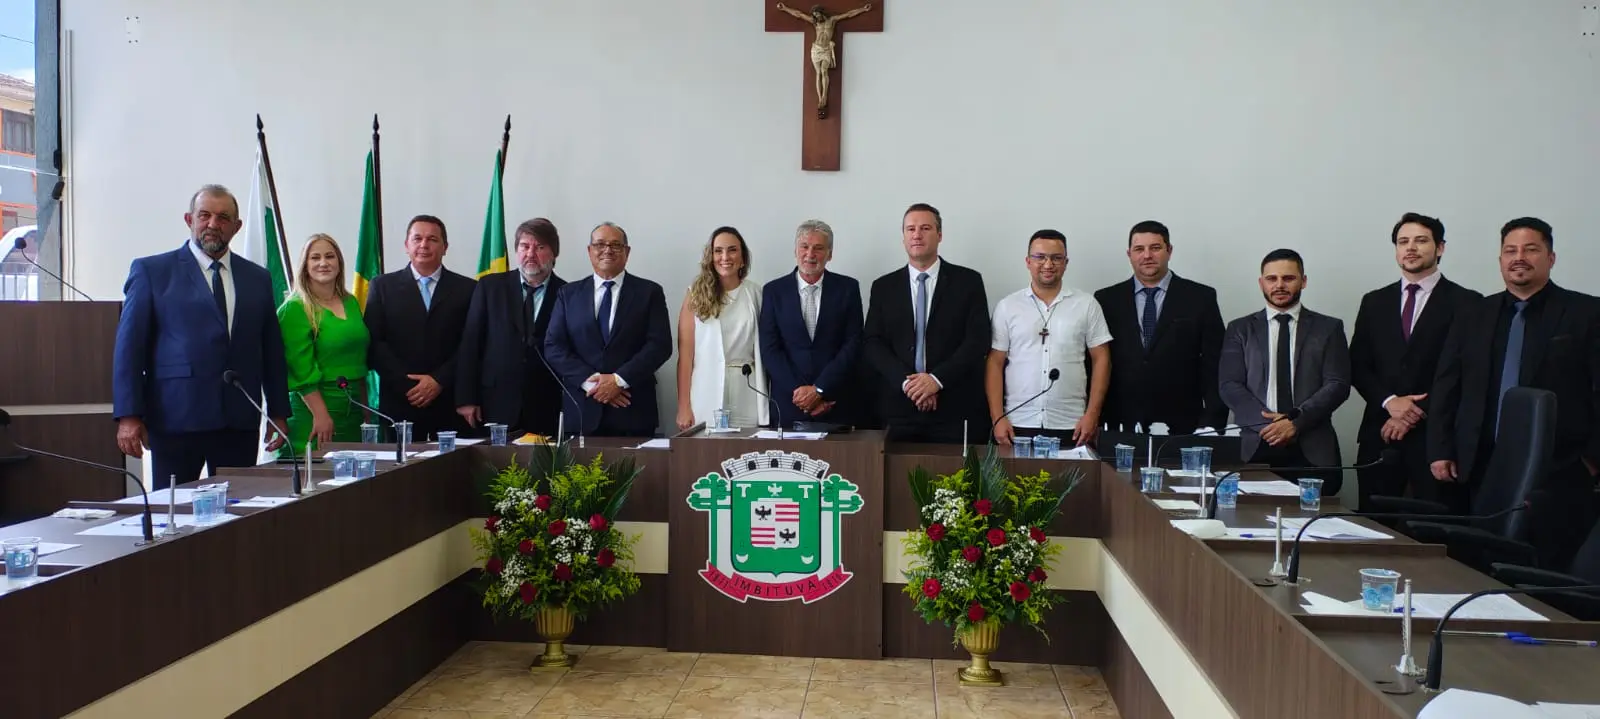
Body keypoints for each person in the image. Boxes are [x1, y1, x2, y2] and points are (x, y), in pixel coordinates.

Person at [1429, 217, 1600, 569]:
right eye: (1510, 250)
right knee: (1480, 567)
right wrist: (1441, 448)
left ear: (1551, 258)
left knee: (1545, 572)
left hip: (1561, 470)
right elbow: (1448, 384)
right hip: (1479, 465)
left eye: (1531, 249)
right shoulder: (1473, 313)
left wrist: (1592, 461)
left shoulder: (1587, 313)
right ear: (1501, 260)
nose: (1519, 257)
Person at [111, 184, 289, 490]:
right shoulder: (152, 271)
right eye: (204, 215)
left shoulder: (257, 277)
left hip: (239, 419)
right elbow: (129, 349)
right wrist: (128, 415)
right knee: (176, 515)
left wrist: (278, 412)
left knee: (238, 511)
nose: (212, 224)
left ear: (237, 226)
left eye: (222, 218)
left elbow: (271, 350)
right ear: (189, 219)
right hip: (176, 418)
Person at [1349, 213, 1480, 510]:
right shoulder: (1374, 301)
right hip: (1379, 434)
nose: (1411, 248)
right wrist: (1389, 402)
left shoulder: (1468, 303)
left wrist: (1413, 411)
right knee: (1373, 528)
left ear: (1440, 248)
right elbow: (1357, 364)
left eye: (1421, 241)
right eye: (1403, 242)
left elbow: (1468, 373)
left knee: (1434, 532)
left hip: (1438, 441)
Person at [1219, 249, 1352, 495]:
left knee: (1313, 522)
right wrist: (1269, 426)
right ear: (1261, 283)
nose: (1279, 285)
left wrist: (1295, 422)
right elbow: (1230, 384)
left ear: (1304, 281)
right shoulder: (1240, 329)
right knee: (1251, 521)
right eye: (1272, 279)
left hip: (1312, 445)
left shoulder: (1329, 328)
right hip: (1256, 444)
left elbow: (1338, 384)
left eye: (1288, 278)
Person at [863, 203, 990, 443]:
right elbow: (872, 343)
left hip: (953, 405)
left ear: (939, 235)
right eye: (910, 229)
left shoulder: (968, 282)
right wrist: (909, 384)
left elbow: (977, 340)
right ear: (903, 237)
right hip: (898, 408)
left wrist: (935, 381)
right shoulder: (883, 287)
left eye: (925, 228)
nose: (917, 235)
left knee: (954, 479)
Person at [1093, 220, 1226, 435]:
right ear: (1129, 254)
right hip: (1119, 422)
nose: (1147, 255)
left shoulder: (1200, 297)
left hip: (1183, 423)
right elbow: (1096, 364)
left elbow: (1216, 365)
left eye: (1155, 248)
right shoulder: (1106, 300)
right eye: (1139, 249)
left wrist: (1211, 422)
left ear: (1169, 250)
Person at [544, 222, 673, 437]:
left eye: (615, 245)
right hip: (582, 410)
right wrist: (593, 383)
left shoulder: (649, 292)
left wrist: (618, 381)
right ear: (589, 250)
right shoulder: (568, 294)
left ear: (627, 251)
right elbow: (553, 346)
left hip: (633, 410)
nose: (607, 250)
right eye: (600, 244)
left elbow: (660, 345)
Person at [987, 230, 1112, 446]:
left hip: (1071, 423)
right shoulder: (1008, 306)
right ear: (1028, 261)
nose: (1048, 264)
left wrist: (1092, 414)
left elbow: (1102, 359)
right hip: (1017, 421)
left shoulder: (1086, 304)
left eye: (1056, 258)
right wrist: (997, 418)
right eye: (1040, 257)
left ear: (1066, 262)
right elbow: (995, 362)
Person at [363, 215, 476, 441]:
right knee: (400, 474)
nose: (424, 245)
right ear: (407, 246)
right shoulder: (383, 286)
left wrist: (438, 380)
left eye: (432, 239)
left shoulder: (468, 288)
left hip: (449, 402)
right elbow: (375, 343)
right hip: (399, 402)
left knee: (451, 473)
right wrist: (408, 386)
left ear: (445, 247)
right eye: (417, 239)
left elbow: (471, 343)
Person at [457, 219, 569, 438]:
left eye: (540, 247)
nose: (531, 253)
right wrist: (466, 398)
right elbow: (471, 344)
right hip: (494, 402)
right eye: (524, 246)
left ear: (554, 253)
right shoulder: (490, 287)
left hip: (547, 403)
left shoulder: (568, 293)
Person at [759, 220, 865, 428]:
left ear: (830, 254)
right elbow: (770, 349)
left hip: (834, 403)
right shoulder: (774, 291)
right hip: (788, 405)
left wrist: (819, 390)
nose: (810, 254)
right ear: (795, 251)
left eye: (818, 248)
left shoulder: (848, 289)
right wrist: (802, 393)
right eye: (804, 247)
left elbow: (853, 344)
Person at [277, 233, 371, 452]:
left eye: (330, 256)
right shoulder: (294, 308)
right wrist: (321, 415)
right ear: (304, 265)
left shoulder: (350, 302)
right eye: (315, 257)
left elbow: (359, 359)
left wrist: (366, 410)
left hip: (354, 407)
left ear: (339, 262)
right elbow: (300, 369)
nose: (323, 263)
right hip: (315, 412)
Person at [676, 227, 768, 430]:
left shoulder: (755, 294)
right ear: (711, 257)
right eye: (718, 251)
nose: (725, 257)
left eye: (732, 250)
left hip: (747, 390)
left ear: (743, 258)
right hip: (704, 388)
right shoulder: (695, 295)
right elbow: (685, 356)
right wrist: (683, 406)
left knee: (744, 454)